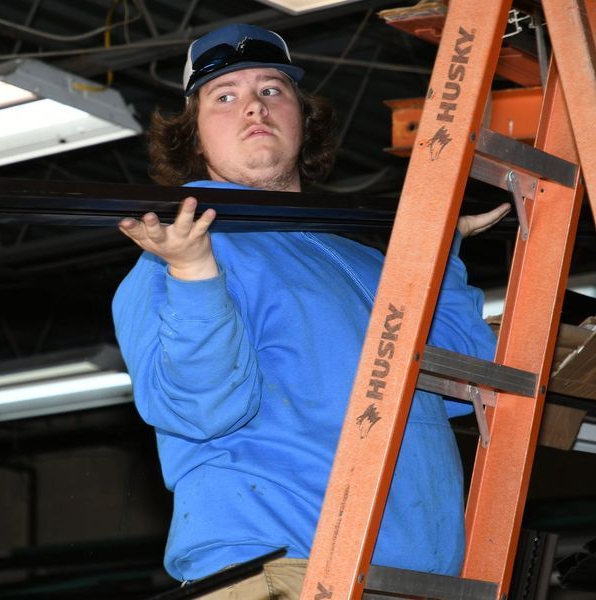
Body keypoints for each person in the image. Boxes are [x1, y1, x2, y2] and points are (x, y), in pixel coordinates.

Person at [112, 24, 509, 598]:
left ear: (303, 118)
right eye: (224, 97)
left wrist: (440, 254)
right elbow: (203, 410)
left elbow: (461, 377)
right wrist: (194, 275)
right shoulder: (177, 258)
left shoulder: (364, 259)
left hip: (417, 579)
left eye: (272, 90)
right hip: (285, 571)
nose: (253, 104)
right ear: (194, 139)